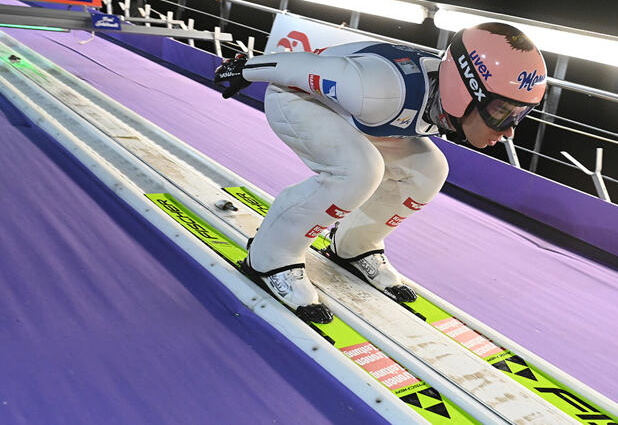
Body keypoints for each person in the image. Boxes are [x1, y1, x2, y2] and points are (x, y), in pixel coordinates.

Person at [214, 22, 547, 324]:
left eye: (520, 113)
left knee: (429, 170)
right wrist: (244, 69)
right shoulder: (380, 89)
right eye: (502, 111)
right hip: (297, 100)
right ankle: (272, 256)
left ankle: (355, 244)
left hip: (358, 115)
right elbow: (302, 66)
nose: (510, 130)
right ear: (466, 89)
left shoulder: (439, 98)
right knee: (358, 172)